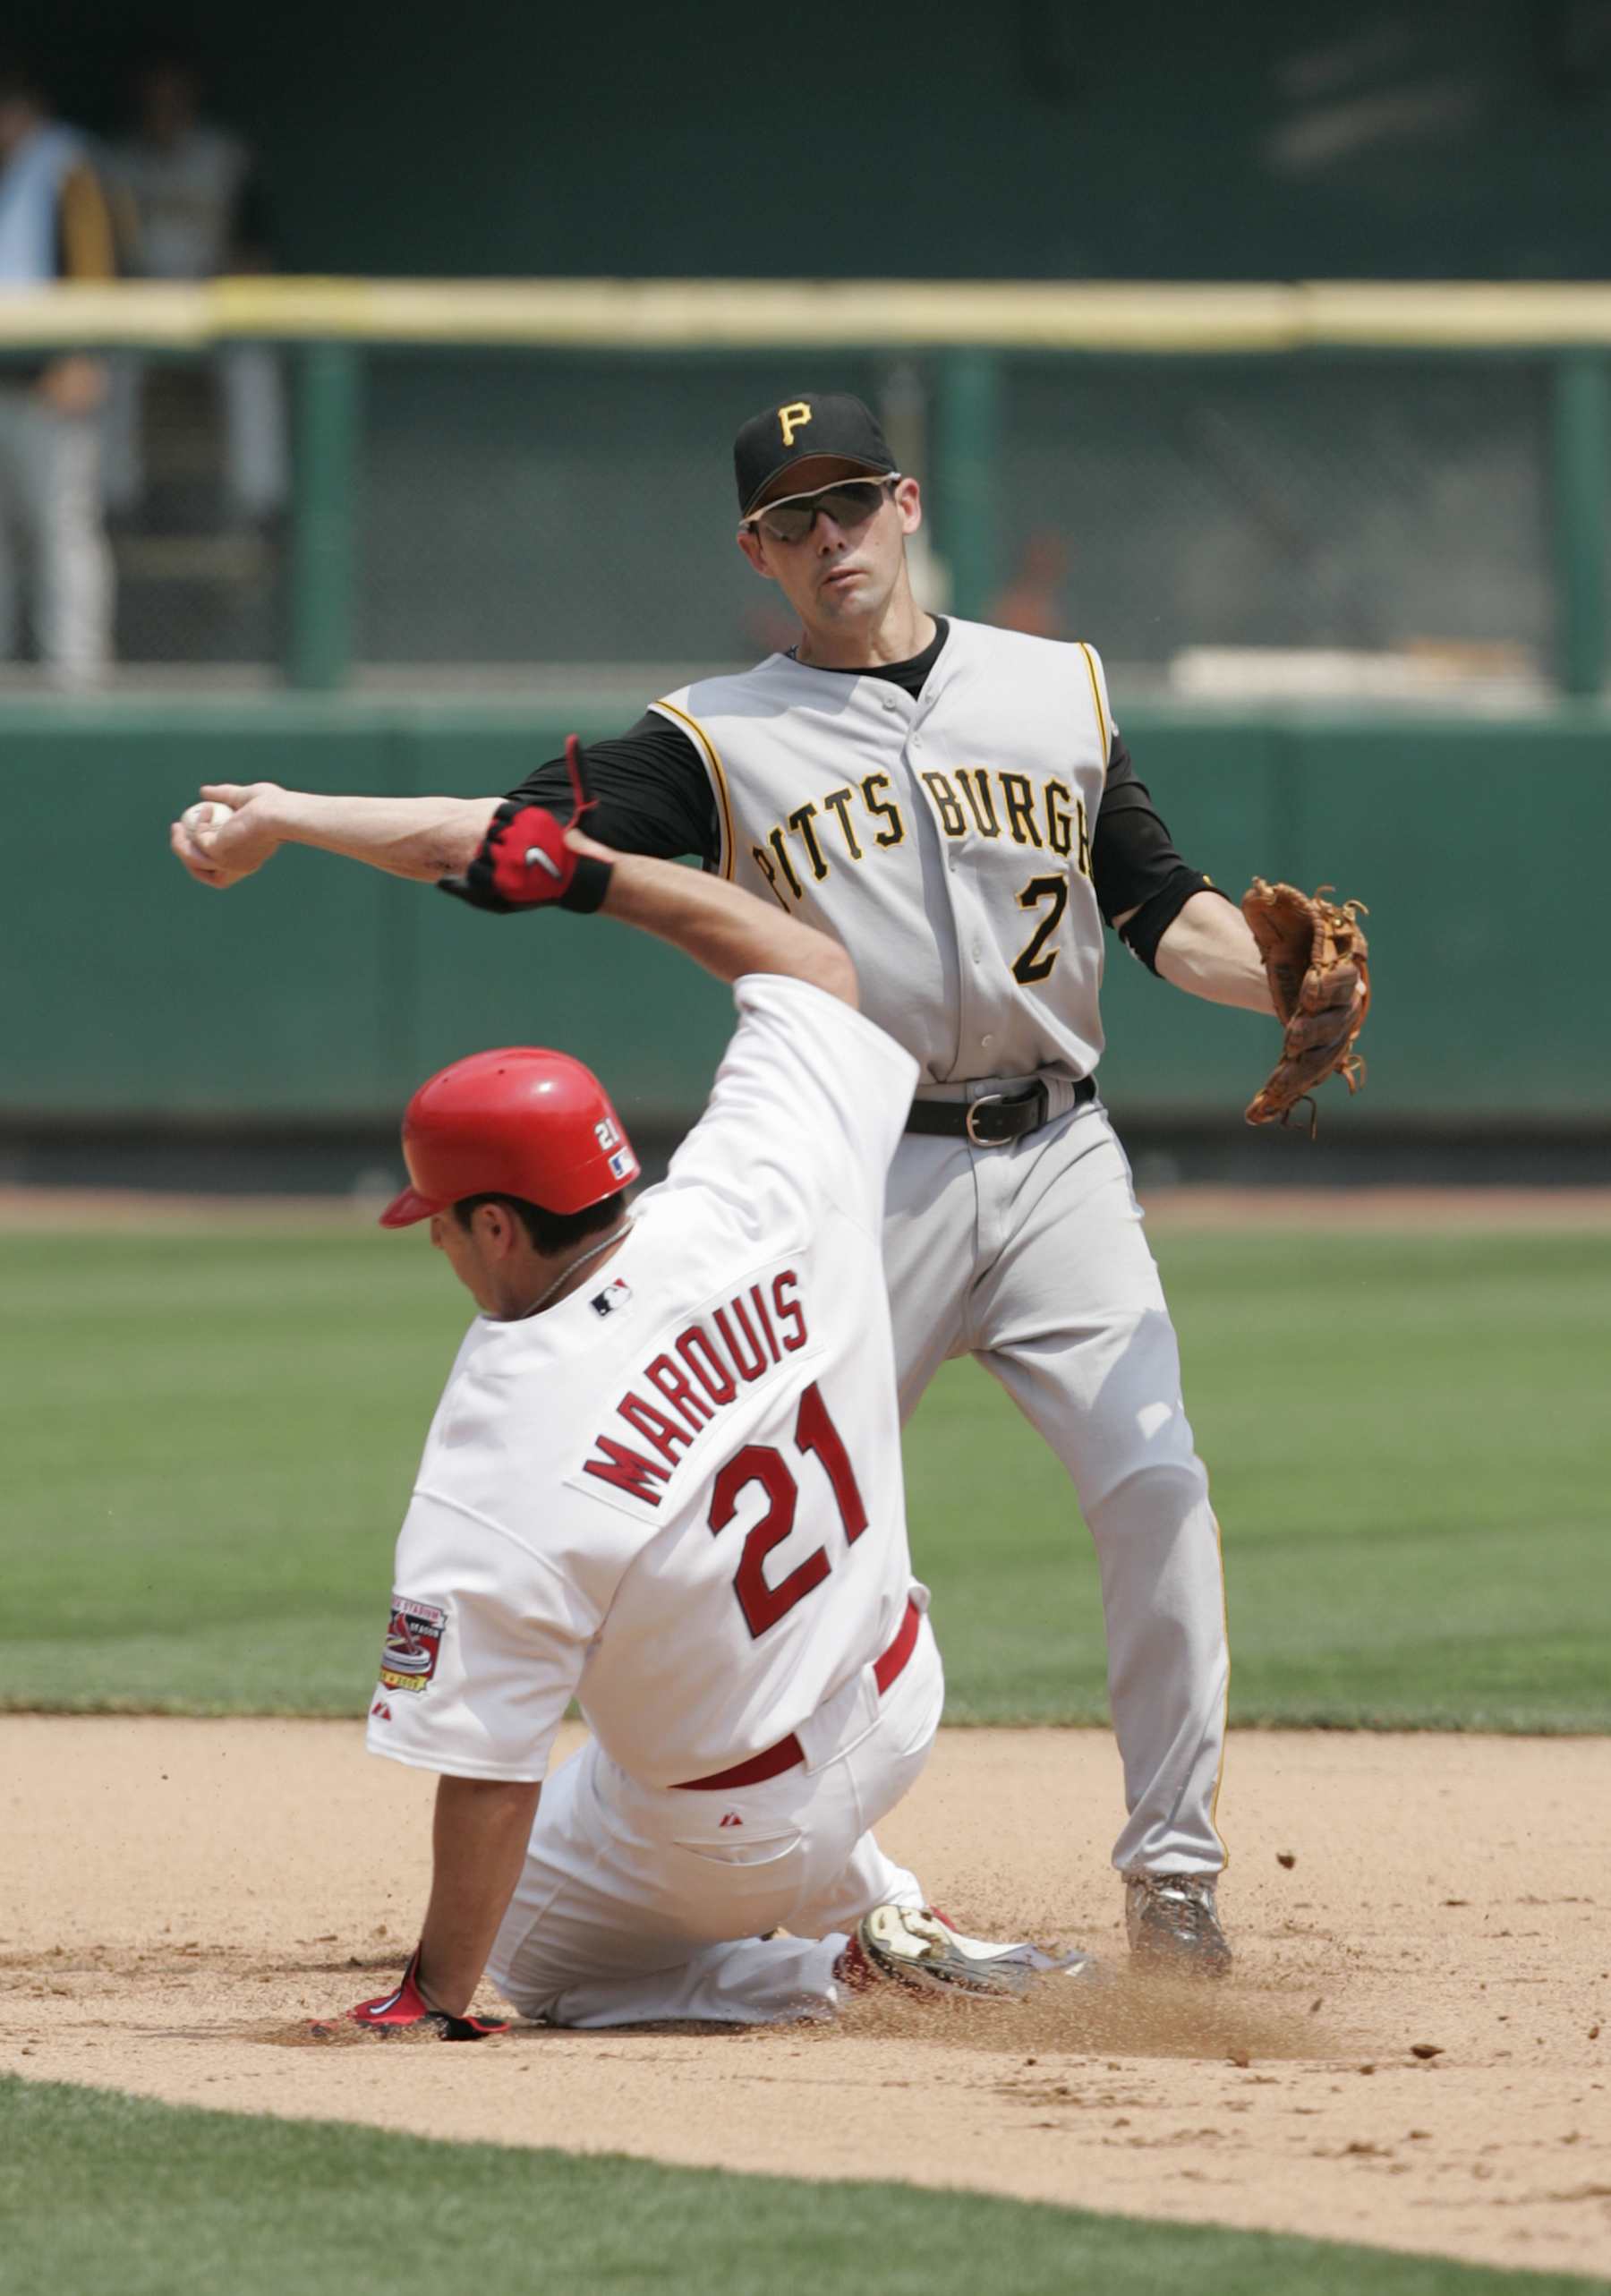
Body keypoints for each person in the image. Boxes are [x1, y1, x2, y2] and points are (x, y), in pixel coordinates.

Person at [175, 392, 1349, 1976]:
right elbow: (502, 839)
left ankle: (1178, 1879)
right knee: (766, 1536)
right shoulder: (717, 736)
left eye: (851, 501)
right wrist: (294, 817)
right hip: (865, 1172)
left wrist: (1276, 990)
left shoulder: (1052, 687)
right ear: (756, 548)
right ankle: (854, 1891)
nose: (830, 537)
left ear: (908, 503)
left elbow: (1163, 910)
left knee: (1157, 1490)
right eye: (793, 519)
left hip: (1061, 1152)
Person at [336, 807, 1084, 2035]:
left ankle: (828, 1972)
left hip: (733, 1827)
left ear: (498, 1227)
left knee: (537, 1943)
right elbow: (812, 965)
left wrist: (435, 1994)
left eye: (439, 1216)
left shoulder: (500, 1445)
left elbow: (487, 1766)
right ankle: (885, 1907)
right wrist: (589, 878)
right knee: (685, 1724)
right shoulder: (760, 1185)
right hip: (898, 1699)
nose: (433, 1239)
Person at [101, 41, 286, 525]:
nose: (165, 104)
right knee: (110, 364)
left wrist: (232, 286)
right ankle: (115, 499)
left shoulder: (226, 156)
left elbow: (255, 252)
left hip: (213, 301)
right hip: (139, 302)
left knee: (253, 363)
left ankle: (259, 503)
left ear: (192, 95)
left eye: (174, 93)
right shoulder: (115, 161)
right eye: (155, 93)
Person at [0, 57, 117, 685]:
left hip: (51, 385)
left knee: (61, 529)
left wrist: (84, 353)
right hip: (4, 384)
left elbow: (100, 264)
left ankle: (76, 678)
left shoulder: (67, 164)